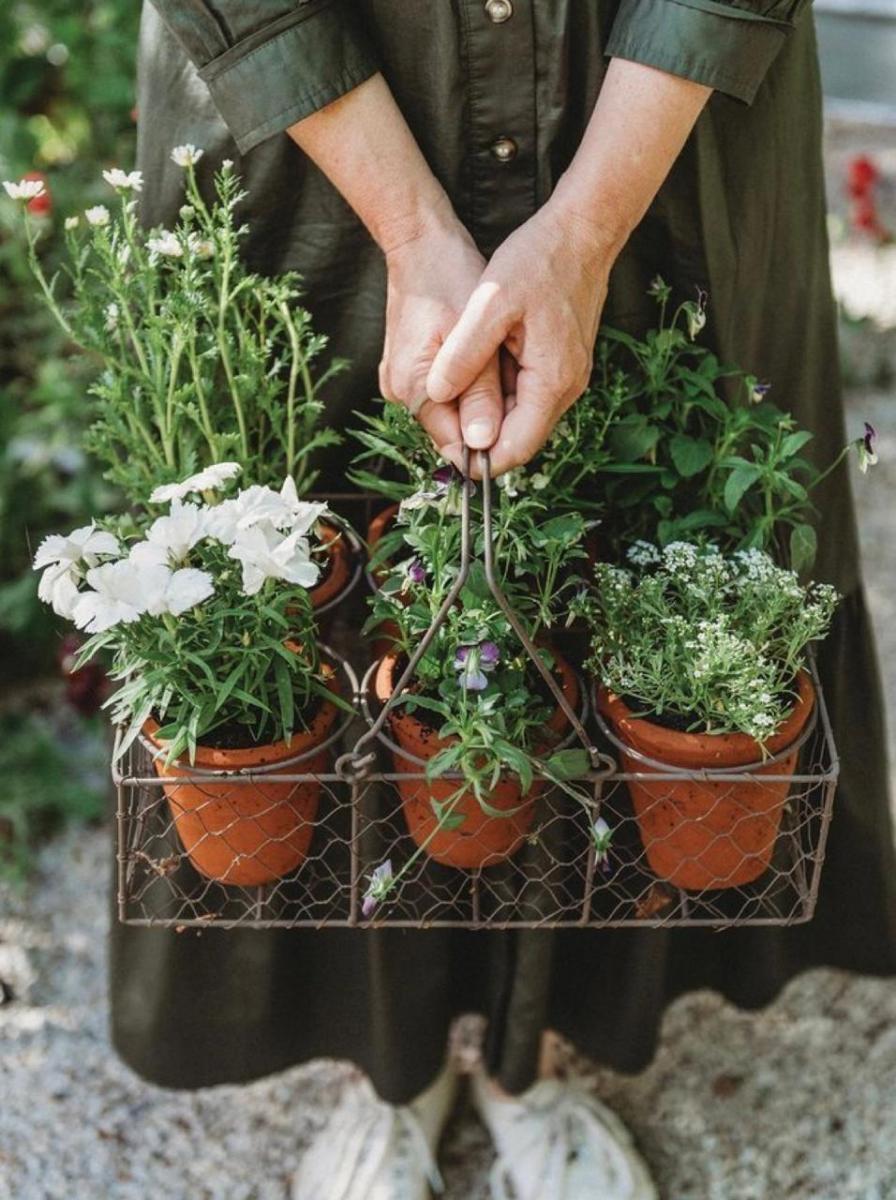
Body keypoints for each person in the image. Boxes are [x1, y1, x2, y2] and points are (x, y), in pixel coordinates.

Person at [113, 3, 896, 1197]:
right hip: (315, 98)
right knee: (310, 571)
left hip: (645, 92)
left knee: (648, 518)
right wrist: (408, 227)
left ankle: (546, 1049)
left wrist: (581, 233)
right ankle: (389, 1063)